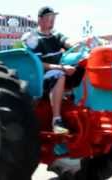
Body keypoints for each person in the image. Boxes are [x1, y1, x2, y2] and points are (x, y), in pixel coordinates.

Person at [23, 6, 77, 134]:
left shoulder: (56, 35)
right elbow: (38, 64)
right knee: (59, 75)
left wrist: (82, 42)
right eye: (49, 18)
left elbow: (70, 43)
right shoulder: (33, 38)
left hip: (59, 70)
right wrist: (62, 68)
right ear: (40, 20)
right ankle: (56, 121)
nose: (52, 21)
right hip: (42, 77)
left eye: (54, 18)